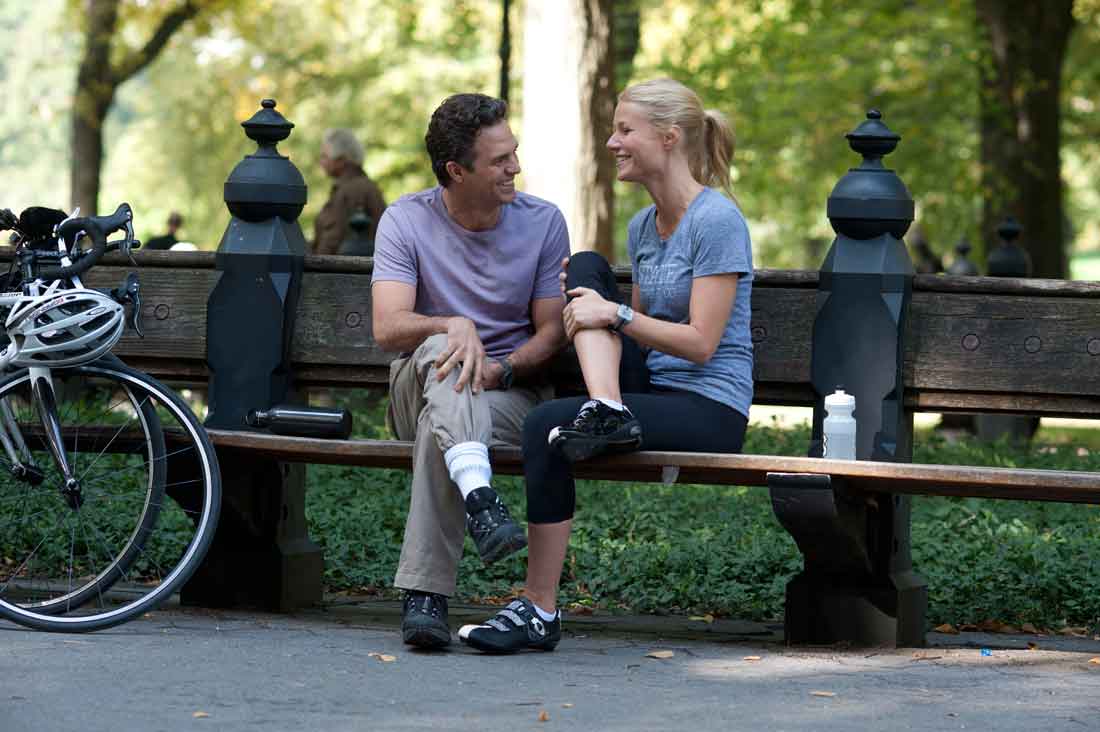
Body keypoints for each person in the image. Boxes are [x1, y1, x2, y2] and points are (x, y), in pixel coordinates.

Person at [458, 78, 754, 654]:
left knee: (545, 427)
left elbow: (698, 344)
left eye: (625, 130)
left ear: (668, 138)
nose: (612, 142)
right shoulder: (644, 226)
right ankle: (607, 406)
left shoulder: (716, 221)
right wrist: (595, 313)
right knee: (588, 263)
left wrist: (609, 313)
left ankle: (539, 610)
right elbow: (638, 334)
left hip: (709, 405)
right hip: (651, 384)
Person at [370, 93, 570, 649]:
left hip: (506, 394)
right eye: (500, 160)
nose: (515, 168)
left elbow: (552, 332)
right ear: (457, 171)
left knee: (449, 411)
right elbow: (388, 328)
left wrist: (501, 370)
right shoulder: (406, 220)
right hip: (417, 390)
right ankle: (480, 499)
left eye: (515, 153)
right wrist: (451, 326)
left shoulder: (543, 223)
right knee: (442, 355)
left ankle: (426, 596)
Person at [313, 128, 387, 255]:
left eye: (325, 156)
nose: (321, 162)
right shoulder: (369, 186)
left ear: (342, 159)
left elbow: (332, 240)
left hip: (342, 272)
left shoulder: (348, 191)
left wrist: (312, 269)